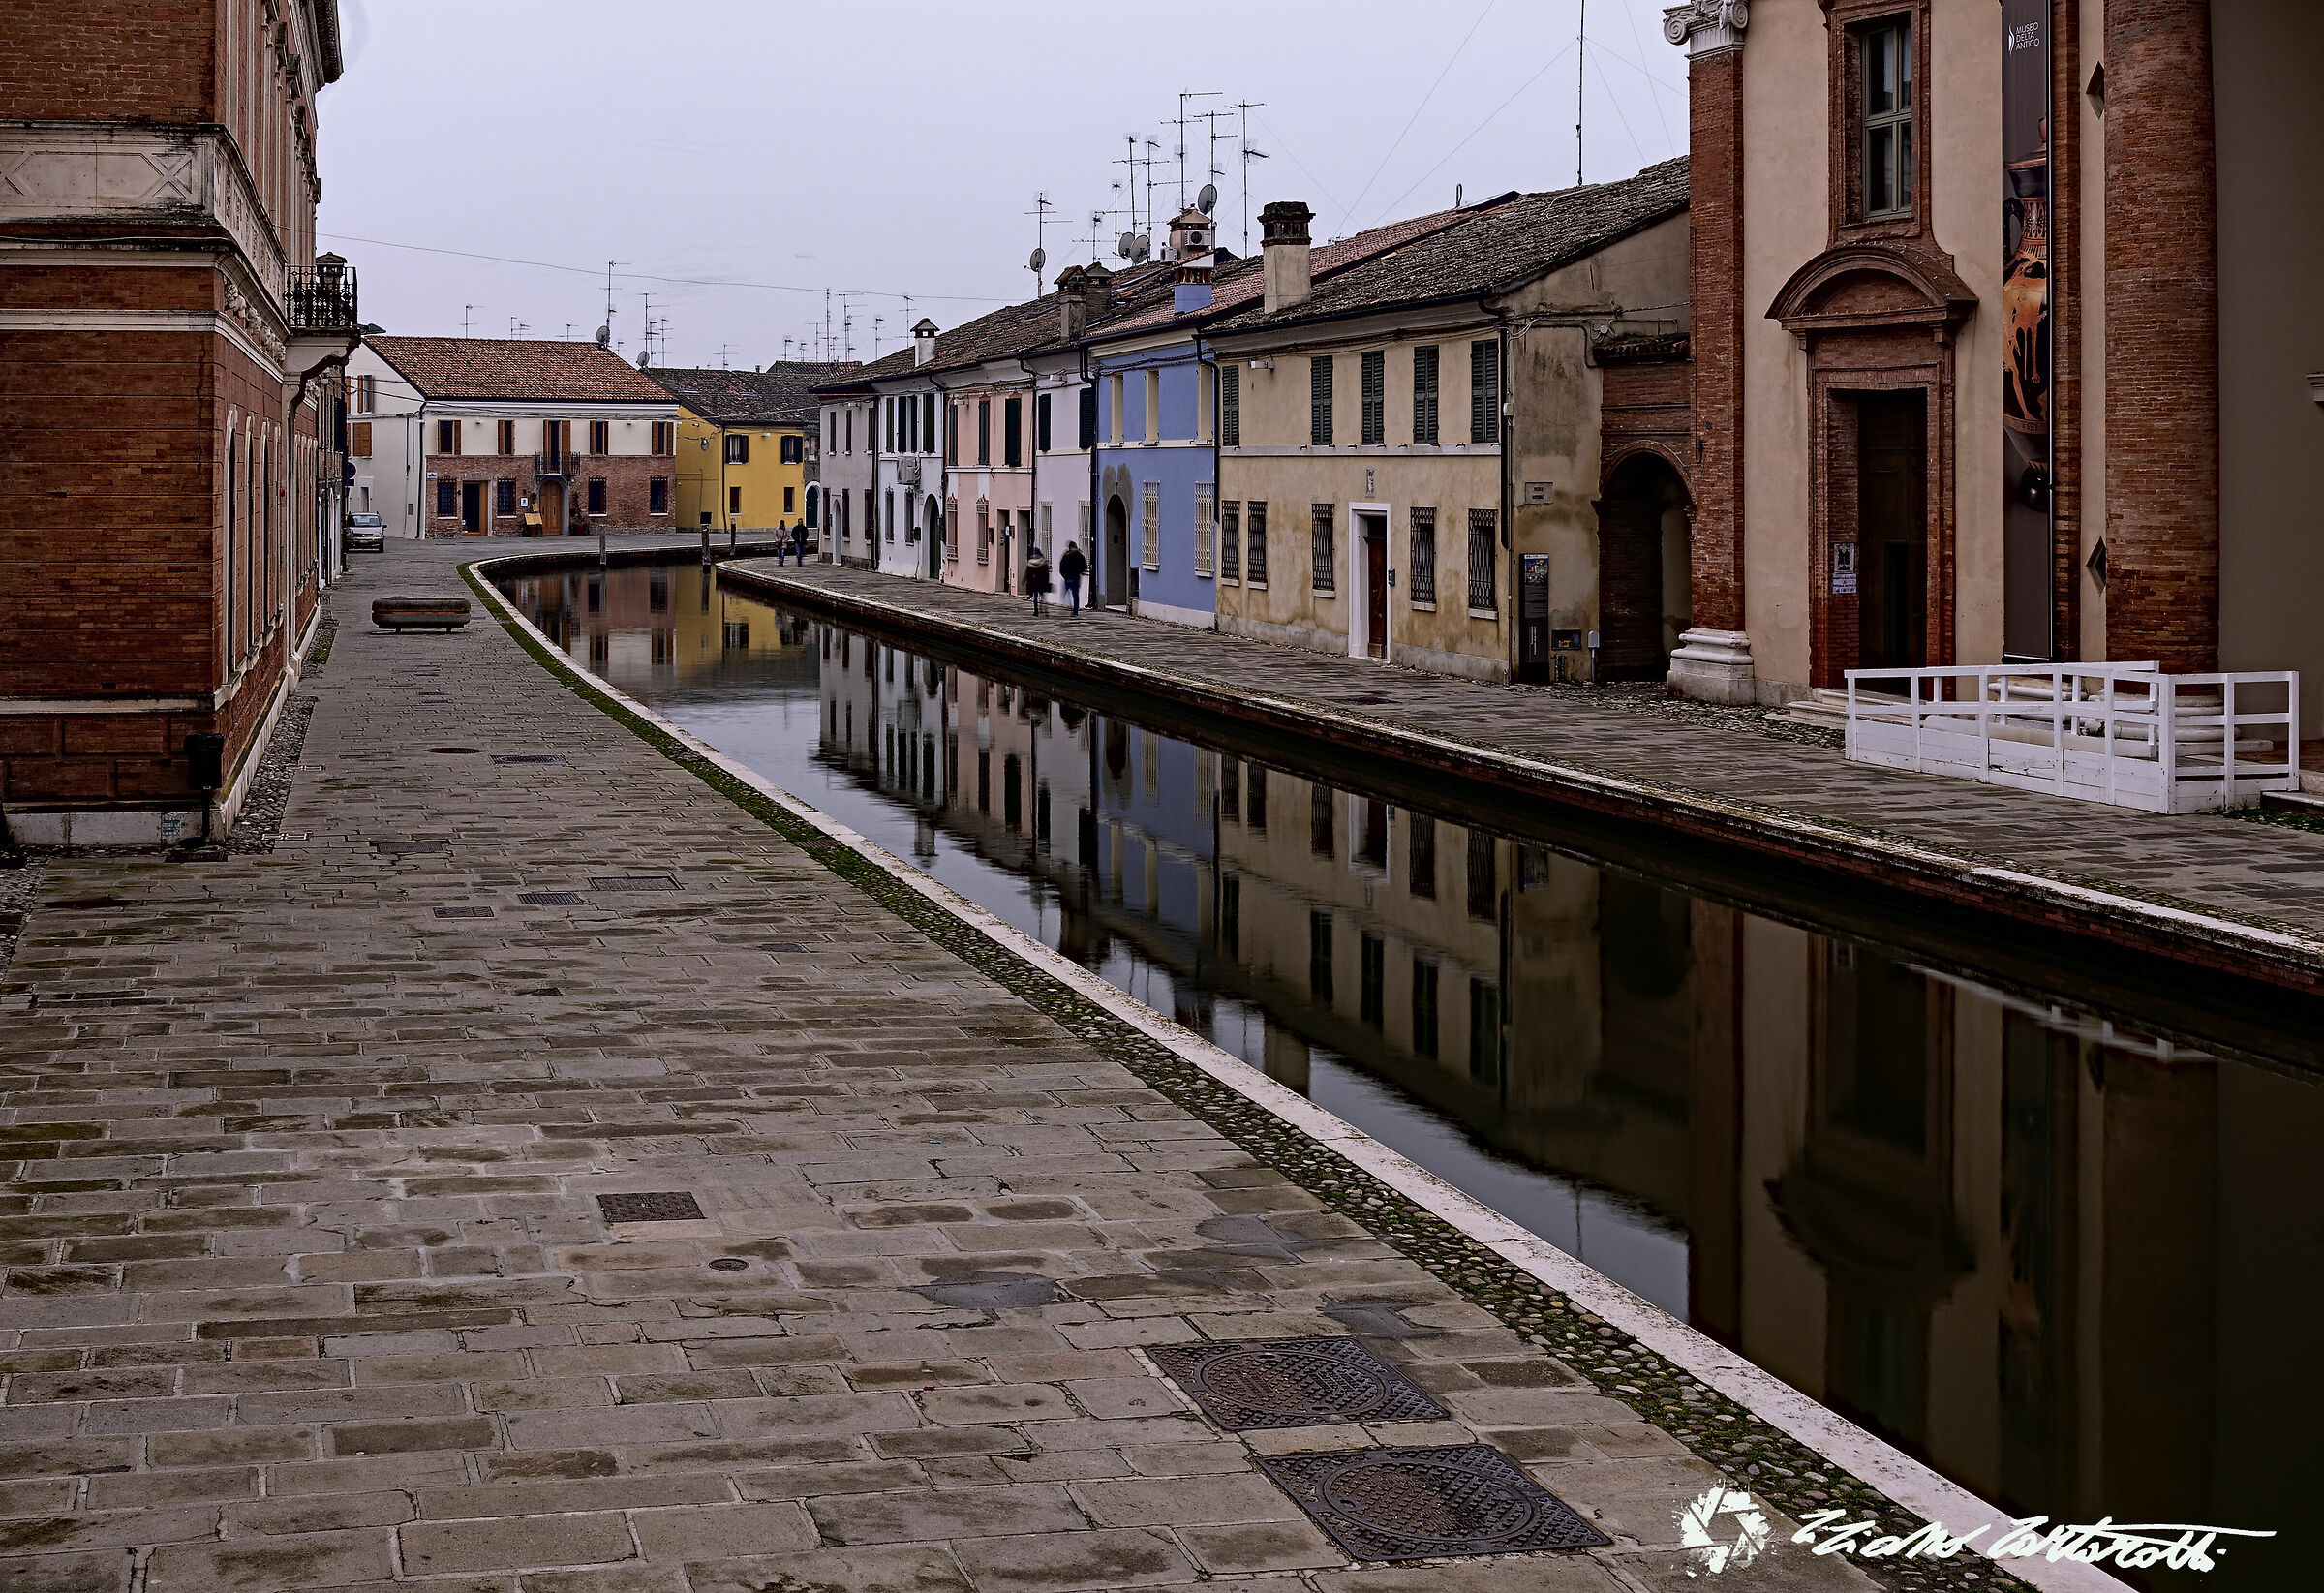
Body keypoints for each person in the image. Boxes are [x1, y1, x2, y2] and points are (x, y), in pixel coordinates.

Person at [1057, 540, 1086, 616]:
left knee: (1066, 593)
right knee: (1075, 594)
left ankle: (1070, 605)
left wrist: (1065, 576)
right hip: (1076, 578)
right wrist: (1079, 572)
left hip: (1067, 578)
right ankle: (1075, 609)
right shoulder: (1080, 555)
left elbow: (1061, 567)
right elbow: (1084, 565)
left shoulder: (1066, 556)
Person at [1024, 543, 1052, 617]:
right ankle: (1045, 610)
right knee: (1043, 597)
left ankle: (1036, 610)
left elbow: (1028, 574)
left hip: (1034, 583)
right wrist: (1047, 582)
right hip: (1042, 582)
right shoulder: (1043, 562)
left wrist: (1026, 581)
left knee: (1035, 597)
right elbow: (1046, 574)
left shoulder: (1030, 562)